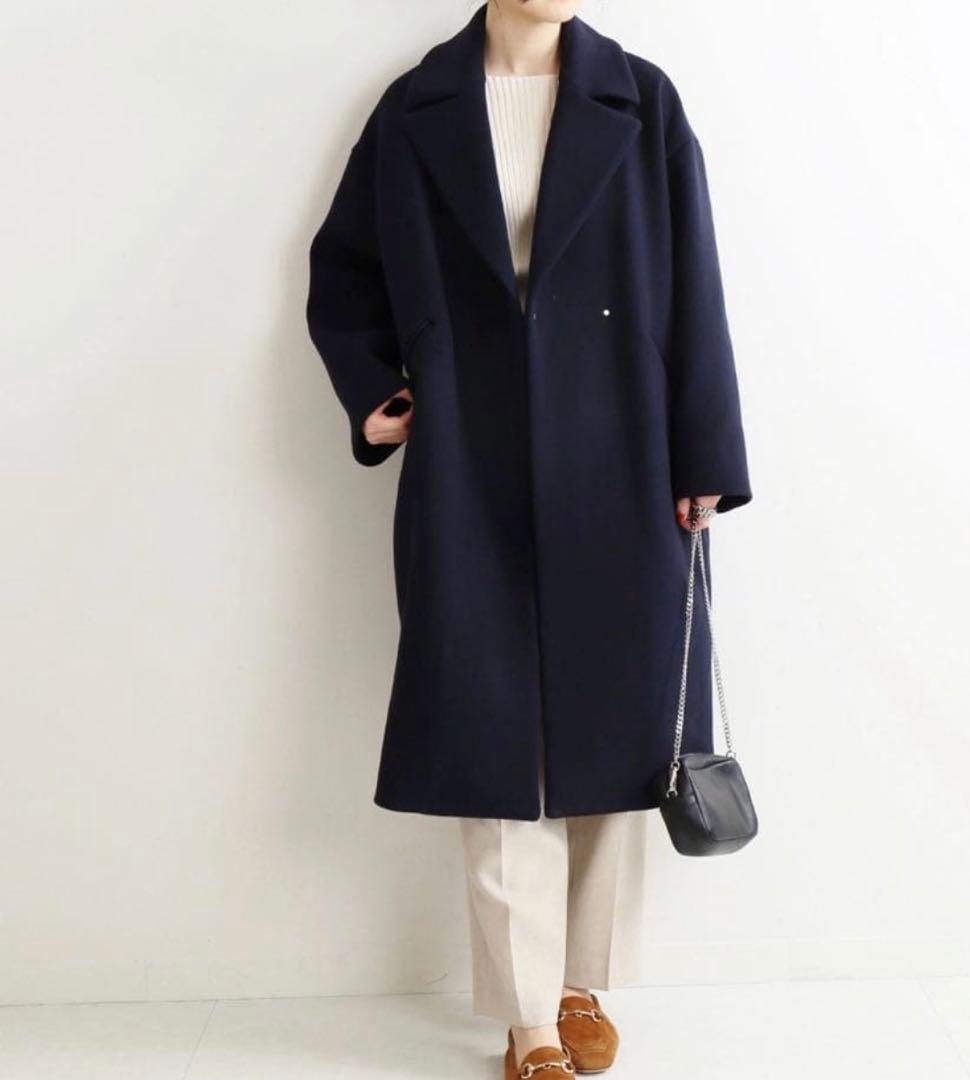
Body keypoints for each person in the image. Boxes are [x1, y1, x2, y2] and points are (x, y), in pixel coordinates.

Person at [305, 1, 752, 1076]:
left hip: (625, 451)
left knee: (623, 725)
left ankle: (578, 982)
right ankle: (528, 1021)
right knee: (491, 724)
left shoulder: (641, 99)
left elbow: (695, 281)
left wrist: (707, 456)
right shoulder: (417, 106)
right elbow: (342, 265)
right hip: (470, 452)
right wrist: (372, 389)